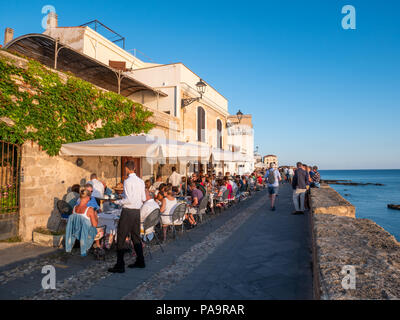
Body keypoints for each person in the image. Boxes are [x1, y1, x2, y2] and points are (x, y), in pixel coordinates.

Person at [108, 160, 147, 273]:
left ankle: (120, 265)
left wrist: (118, 202)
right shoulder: (141, 181)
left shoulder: (127, 181)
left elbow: (129, 199)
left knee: (120, 237)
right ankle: (141, 261)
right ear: (134, 168)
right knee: (136, 237)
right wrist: (124, 197)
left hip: (128, 211)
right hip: (136, 212)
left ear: (126, 169)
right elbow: (143, 198)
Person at [65, 188, 102, 256]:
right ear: (88, 198)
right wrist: (95, 216)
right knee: (101, 229)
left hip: (77, 231)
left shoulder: (75, 208)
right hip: (86, 234)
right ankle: (98, 246)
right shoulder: (90, 209)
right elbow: (94, 225)